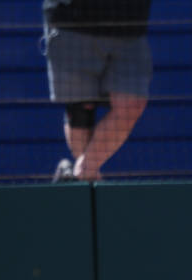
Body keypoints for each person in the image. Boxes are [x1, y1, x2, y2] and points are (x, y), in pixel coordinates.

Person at [42, 0, 153, 182]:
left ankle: (80, 175)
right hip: (72, 21)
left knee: (132, 104)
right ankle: (89, 185)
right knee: (81, 109)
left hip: (131, 24)